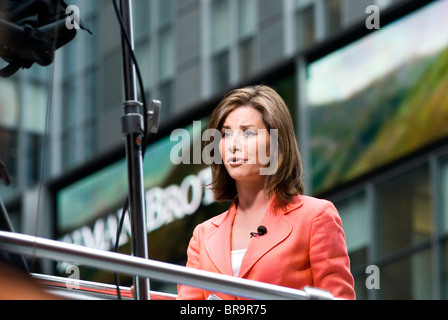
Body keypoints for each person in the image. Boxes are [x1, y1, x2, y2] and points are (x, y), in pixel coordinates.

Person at [177, 85, 355, 300]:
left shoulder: (316, 216)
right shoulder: (202, 236)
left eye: (248, 132)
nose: (233, 145)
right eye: (225, 134)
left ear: (276, 143)